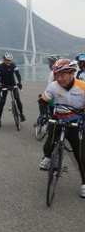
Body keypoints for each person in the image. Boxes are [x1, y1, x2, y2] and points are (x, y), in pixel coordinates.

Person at [38, 58, 85, 198]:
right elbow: (43, 101)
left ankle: (84, 183)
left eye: (63, 75)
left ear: (72, 74)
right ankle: (47, 158)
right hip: (58, 119)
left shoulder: (82, 87)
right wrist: (44, 114)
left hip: (76, 123)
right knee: (48, 145)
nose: (59, 79)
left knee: (81, 155)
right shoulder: (53, 86)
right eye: (57, 75)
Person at [0, 52, 25, 127]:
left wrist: (19, 82)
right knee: (2, 103)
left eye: (10, 61)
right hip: (3, 85)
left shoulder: (13, 65)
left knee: (17, 100)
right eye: (7, 61)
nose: (9, 62)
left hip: (12, 84)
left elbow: (18, 75)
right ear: (4, 60)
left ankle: (21, 114)